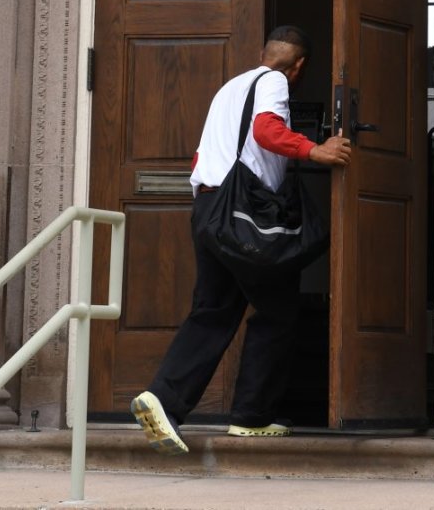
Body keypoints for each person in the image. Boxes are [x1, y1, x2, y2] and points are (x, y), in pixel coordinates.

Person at [130, 25, 352, 455]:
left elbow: (206, 154)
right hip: (241, 216)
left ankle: (162, 400)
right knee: (279, 310)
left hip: (209, 209)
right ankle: (251, 416)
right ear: (300, 65)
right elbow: (267, 131)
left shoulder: (230, 87)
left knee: (214, 310)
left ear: (264, 50)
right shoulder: (273, 82)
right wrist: (316, 150)